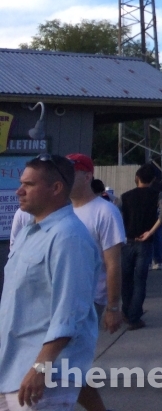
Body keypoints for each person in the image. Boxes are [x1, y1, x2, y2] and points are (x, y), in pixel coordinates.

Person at [0, 155, 100, 411]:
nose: (19, 191)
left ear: (56, 189)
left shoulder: (68, 237)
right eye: (21, 183)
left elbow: (70, 312)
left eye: (29, 185)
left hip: (44, 376)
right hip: (12, 368)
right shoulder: (28, 233)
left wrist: (40, 368)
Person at [63, 154, 124, 411]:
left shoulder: (105, 211)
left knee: (67, 366)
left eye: (71, 173)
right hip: (63, 299)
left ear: (87, 176)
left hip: (90, 301)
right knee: (64, 366)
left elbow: (113, 263)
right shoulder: (62, 209)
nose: (64, 179)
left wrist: (112, 307)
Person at [119, 162, 162, 330]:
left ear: (136, 178)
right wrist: (150, 232)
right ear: (153, 179)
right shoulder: (157, 195)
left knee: (126, 278)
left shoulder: (125, 196)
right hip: (145, 242)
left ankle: (126, 309)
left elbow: (117, 215)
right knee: (140, 280)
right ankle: (135, 315)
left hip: (128, 240)